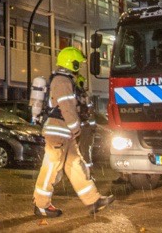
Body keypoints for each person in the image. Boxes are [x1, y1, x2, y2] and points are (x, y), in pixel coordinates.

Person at [33, 47, 114, 218]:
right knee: (51, 167)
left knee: (76, 165)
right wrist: (76, 128)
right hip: (59, 132)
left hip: (64, 132)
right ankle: (41, 205)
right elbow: (67, 108)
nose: (80, 67)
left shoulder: (64, 80)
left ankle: (93, 200)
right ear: (73, 63)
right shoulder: (62, 81)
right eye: (79, 63)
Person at [75, 74, 96, 168]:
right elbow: (91, 113)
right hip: (83, 126)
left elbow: (90, 113)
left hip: (83, 126)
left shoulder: (82, 96)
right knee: (84, 149)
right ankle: (84, 171)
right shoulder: (84, 96)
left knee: (83, 149)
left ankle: (85, 171)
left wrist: (92, 127)